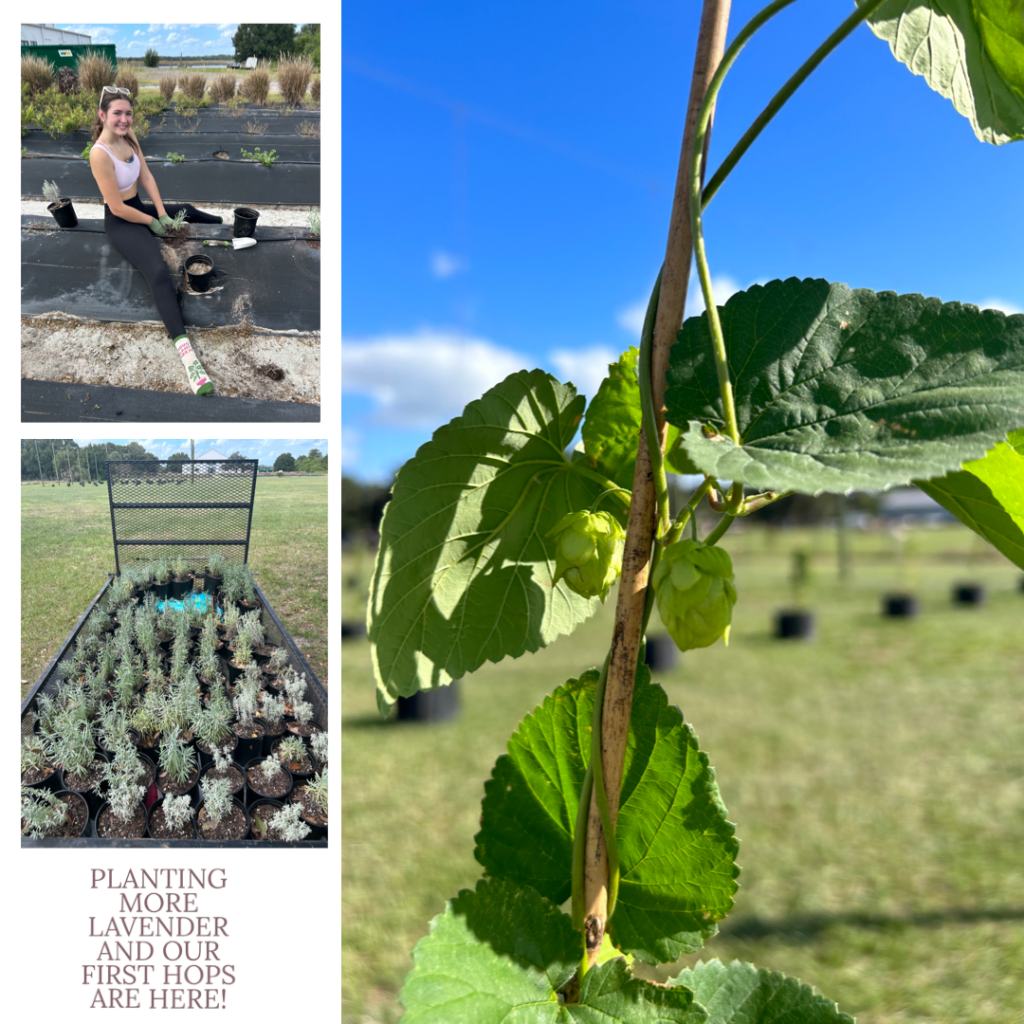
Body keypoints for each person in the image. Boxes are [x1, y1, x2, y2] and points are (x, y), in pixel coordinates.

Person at [89, 85, 223, 395]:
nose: (124, 119)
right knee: (159, 273)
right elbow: (118, 206)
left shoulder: (129, 138)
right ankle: (188, 356)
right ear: (103, 115)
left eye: (128, 113)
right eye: (117, 113)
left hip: (137, 207)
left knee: (186, 211)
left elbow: (146, 176)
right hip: (121, 220)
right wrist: (151, 222)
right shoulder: (100, 154)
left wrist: (162, 213)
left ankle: (225, 223)